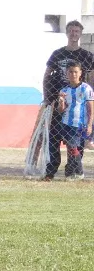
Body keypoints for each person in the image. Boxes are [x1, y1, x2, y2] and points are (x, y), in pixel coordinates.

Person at [42, 20, 94, 181]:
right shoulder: (57, 54)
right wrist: (46, 98)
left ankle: (73, 171)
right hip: (58, 102)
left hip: (78, 107)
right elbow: (46, 76)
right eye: (71, 31)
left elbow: (92, 78)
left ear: (80, 34)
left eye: (77, 31)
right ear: (67, 33)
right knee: (54, 138)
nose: (74, 34)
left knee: (77, 142)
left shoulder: (87, 56)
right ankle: (50, 171)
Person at [54, 62, 93, 180]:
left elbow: (91, 108)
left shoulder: (86, 88)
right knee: (72, 148)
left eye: (75, 72)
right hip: (66, 123)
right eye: (70, 72)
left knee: (74, 148)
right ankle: (73, 173)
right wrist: (61, 101)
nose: (73, 74)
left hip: (80, 124)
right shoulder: (64, 90)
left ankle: (77, 172)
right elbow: (61, 110)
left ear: (80, 73)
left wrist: (90, 124)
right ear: (67, 73)